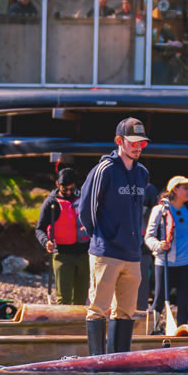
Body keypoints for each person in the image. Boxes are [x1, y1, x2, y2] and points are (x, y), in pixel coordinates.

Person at [77, 117, 153, 354]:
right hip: (106, 252)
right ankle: (97, 362)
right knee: (98, 309)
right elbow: (86, 208)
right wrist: (100, 236)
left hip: (132, 254)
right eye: (133, 142)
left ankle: (118, 362)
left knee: (126, 311)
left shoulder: (142, 173)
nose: (138, 147)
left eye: (142, 143)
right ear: (119, 141)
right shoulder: (104, 169)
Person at [145, 176, 188, 334]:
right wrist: (158, 245)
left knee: (183, 303)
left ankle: (182, 335)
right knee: (159, 301)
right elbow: (148, 237)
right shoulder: (160, 210)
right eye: (185, 188)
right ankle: (151, 331)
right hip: (165, 263)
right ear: (175, 190)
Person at [35, 168, 90, 305]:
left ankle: (79, 326)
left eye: (72, 189)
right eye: (65, 189)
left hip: (84, 254)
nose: (69, 193)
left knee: (81, 299)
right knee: (64, 299)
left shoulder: (83, 198)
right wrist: (46, 241)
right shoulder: (51, 203)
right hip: (63, 256)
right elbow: (39, 229)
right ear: (57, 184)